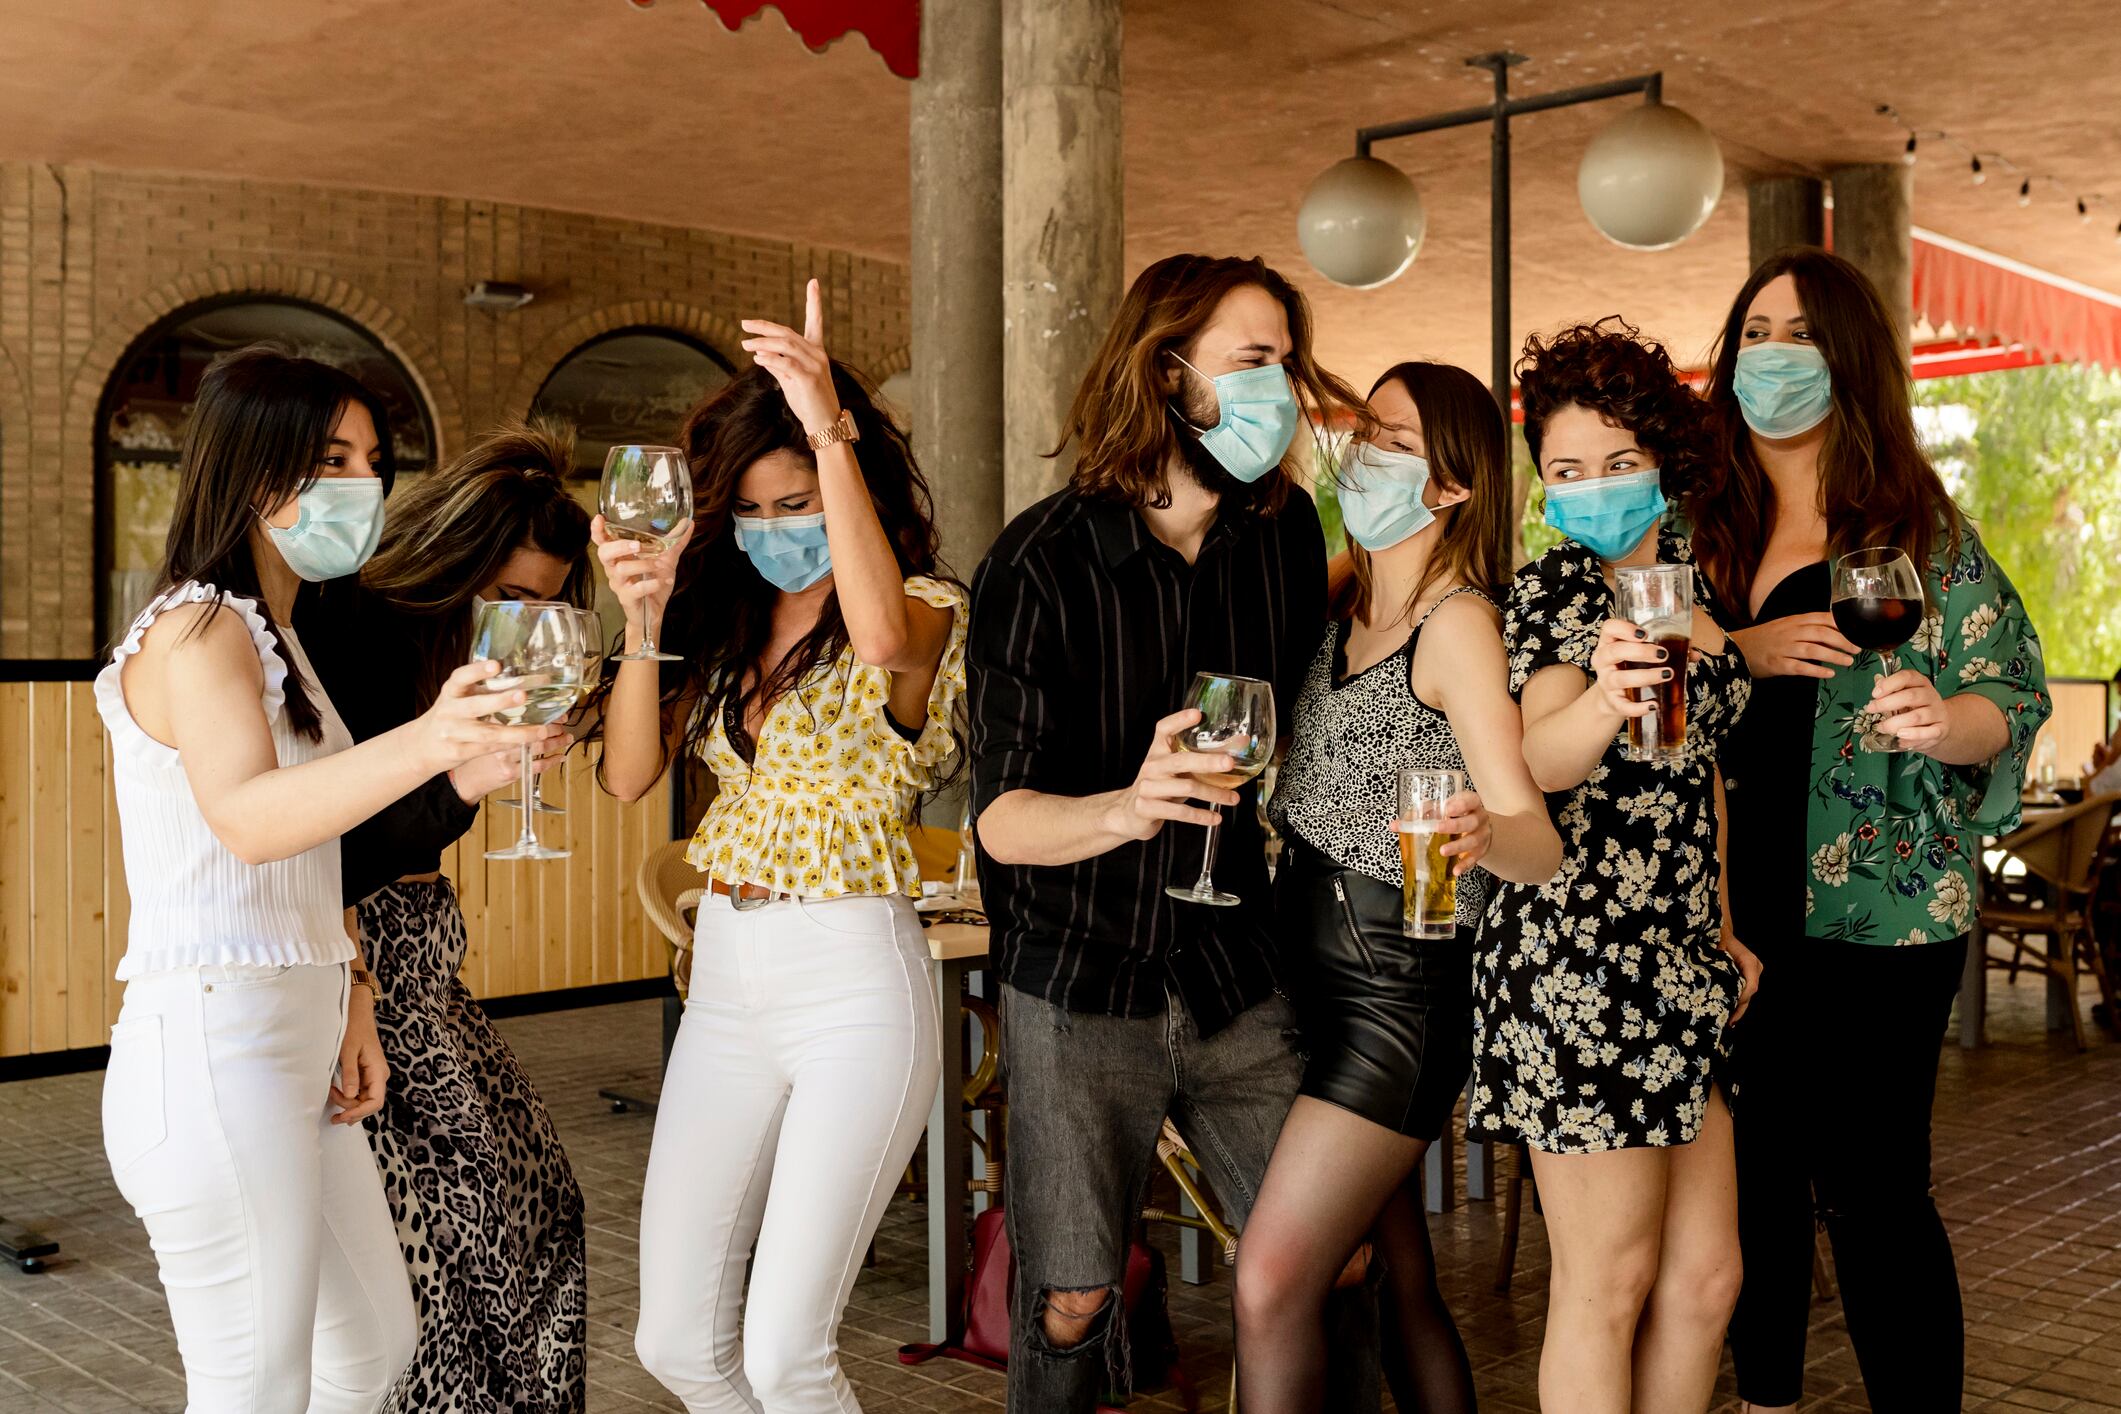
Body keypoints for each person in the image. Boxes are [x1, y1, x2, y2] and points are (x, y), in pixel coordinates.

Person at [94, 345, 558, 1413]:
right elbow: (251, 821)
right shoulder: (198, 628)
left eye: (371, 459)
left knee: (371, 1351)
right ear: (256, 472)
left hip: (297, 1044)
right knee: (255, 1389)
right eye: (334, 459)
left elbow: (318, 840)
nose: (366, 483)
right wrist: (436, 736)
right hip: (215, 1047)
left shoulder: (278, 636)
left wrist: (354, 991)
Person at [969, 252, 1378, 1414]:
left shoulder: (1281, 534)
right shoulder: (1040, 562)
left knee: (1334, 1258)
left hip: (1233, 968)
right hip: (1078, 979)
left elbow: (1317, 692)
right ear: (1167, 373)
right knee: (1072, 1296)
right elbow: (1001, 822)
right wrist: (1130, 805)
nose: (1279, 392)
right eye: (1253, 362)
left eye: (1288, 364)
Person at [1688, 248, 2050, 1413]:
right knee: (1752, 1177)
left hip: (1880, 904)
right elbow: (1640, 673)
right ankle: (1767, 1400)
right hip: (1722, 904)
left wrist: (1946, 722)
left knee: (1873, 1189)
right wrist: (1737, 650)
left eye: (1798, 334)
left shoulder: (1916, 530)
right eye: (1753, 334)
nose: (1770, 357)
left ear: (1847, 360)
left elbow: (2012, 692)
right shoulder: (1694, 527)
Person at [602, 280, 963, 1412]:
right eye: (751, 512)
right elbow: (627, 775)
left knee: (783, 1358)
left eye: (796, 501)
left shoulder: (922, 605)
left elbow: (880, 636)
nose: (773, 530)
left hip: (853, 981)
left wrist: (826, 426)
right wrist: (644, 617)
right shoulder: (730, 624)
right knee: (674, 1344)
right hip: (725, 978)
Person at [1235, 360, 1562, 1413]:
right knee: (1401, 1280)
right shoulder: (1338, 611)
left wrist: (1485, 833)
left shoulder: (1455, 624)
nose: (1361, 451)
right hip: (1306, 983)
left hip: (1398, 1002)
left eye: (1393, 439)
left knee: (1269, 1281)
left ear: (1451, 484)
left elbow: (1538, 841)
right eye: (1363, 428)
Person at [1468, 318, 1761, 1414]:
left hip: (1678, 958)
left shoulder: (1685, 584)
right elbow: (1538, 763)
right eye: (1566, 469)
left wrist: (1720, 925)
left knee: (1706, 1278)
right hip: (1579, 964)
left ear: (1663, 459)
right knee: (1607, 1283)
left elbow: (1698, 776)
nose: (1592, 488)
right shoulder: (1555, 593)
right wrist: (1603, 696)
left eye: (1618, 460)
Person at [292, 420, 595, 1413]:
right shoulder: (350, 623)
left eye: (547, 604)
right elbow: (327, 848)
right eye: (508, 596)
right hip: (359, 960)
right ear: (456, 560)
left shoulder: (440, 648)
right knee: (450, 1255)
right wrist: (464, 779)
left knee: (537, 1210)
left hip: (423, 956)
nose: (523, 622)